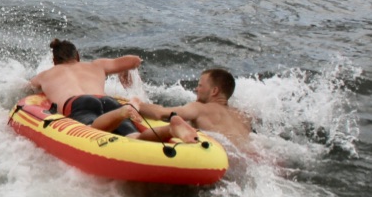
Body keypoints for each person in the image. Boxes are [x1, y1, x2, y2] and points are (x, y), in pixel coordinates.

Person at [30, 38, 198, 143]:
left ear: (54, 60)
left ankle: (123, 112)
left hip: (79, 103)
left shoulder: (46, 74)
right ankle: (170, 129)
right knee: (136, 139)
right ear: (78, 56)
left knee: (91, 131)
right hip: (109, 101)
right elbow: (134, 60)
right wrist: (124, 70)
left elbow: (27, 87)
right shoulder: (96, 65)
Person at [134, 68, 253, 148]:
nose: (196, 89)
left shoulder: (199, 108)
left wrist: (133, 104)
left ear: (214, 91)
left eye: (200, 85)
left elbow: (160, 113)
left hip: (224, 158)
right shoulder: (243, 115)